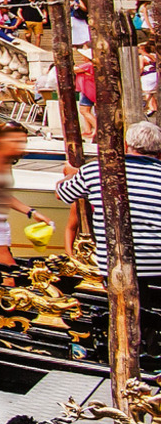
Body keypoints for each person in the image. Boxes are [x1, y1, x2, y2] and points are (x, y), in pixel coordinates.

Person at [55, 119, 161, 306]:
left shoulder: (96, 170)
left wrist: (71, 174)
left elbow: (61, 193)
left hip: (115, 265)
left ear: (126, 146)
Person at [0, 122, 45, 265]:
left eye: (22, 142)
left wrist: (31, 212)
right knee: (8, 272)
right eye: (14, 141)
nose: (18, 145)